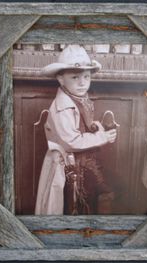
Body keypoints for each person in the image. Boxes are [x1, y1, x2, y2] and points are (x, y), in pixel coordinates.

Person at [35, 45, 117, 215]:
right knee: (69, 206)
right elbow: (70, 140)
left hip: (82, 164)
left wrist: (98, 128)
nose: (82, 82)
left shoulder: (77, 98)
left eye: (86, 77)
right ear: (61, 79)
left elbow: (81, 123)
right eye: (75, 77)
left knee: (87, 203)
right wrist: (101, 138)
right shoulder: (63, 106)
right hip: (68, 166)